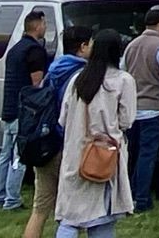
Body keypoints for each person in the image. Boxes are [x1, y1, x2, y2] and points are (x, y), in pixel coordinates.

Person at [53, 29, 136, 238]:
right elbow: (126, 121)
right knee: (102, 216)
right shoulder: (123, 81)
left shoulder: (77, 80)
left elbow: (62, 119)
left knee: (70, 218)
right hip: (104, 156)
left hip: (74, 154)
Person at [23, 25, 93, 238]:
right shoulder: (82, 75)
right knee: (73, 212)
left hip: (45, 143)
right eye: (91, 43)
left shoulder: (53, 70)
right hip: (67, 146)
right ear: (82, 47)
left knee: (40, 208)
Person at [121, 8, 159, 212]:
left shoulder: (131, 46)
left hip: (132, 108)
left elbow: (123, 73)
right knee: (148, 155)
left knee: (133, 153)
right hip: (154, 108)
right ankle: (142, 199)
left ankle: (127, 196)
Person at [0, 9, 52, 209]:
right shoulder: (34, 51)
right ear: (37, 26)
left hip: (9, 108)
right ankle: (12, 200)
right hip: (24, 112)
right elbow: (36, 85)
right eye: (44, 24)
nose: (46, 28)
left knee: (5, 154)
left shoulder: (14, 49)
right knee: (19, 157)